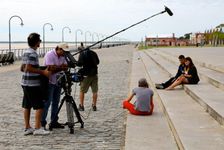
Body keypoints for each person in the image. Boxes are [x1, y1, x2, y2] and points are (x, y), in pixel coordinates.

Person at [21, 33, 50, 135]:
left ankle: (27, 127)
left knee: (27, 105)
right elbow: (28, 68)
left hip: (24, 83)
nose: (40, 42)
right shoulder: (33, 53)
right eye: (39, 40)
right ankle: (38, 128)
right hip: (32, 84)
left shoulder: (26, 52)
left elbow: (23, 68)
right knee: (40, 106)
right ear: (37, 42)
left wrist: (37, 69)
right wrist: (43, 72)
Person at [41, 43, 69, 129]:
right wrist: (60, 67)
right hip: (49, 81)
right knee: (47, 103)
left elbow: (65, 67)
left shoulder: (63, 56)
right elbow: (50, 70)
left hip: (58, 81)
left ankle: (54, 121)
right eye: (63, 51)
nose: (64, 53)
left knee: (56, 102)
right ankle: (42, 123)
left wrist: (58, 67)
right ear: (58, 49)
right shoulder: (50, 55)